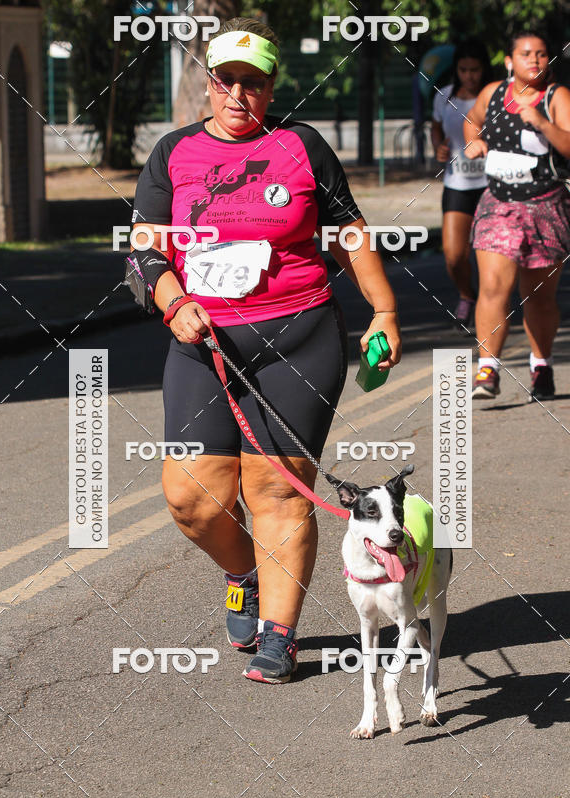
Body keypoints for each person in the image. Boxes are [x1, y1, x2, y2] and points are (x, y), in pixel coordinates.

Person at [130, 17, 402, 684]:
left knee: (277, 494)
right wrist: (172, 299)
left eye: (254, 82)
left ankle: (281, 636)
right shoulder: (173, 155)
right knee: (192, 497)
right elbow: (143, 251)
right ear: (209, 81)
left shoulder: (302, 147)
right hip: (204, 341)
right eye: (228, 80)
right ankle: (243, 572)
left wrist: (385, 311)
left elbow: (349, 232)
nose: (239, 94)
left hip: (298, 338)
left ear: (272, 85)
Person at [464, 32, 570, 400]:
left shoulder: (557, 97)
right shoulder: (493, 93)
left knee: (538, 296)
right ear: (510, 60)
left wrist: (541, 122)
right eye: (526, 54)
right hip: (499, 203)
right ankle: (487, 369)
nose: (535, 61)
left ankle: (541, 364)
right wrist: (474, 141)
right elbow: (472, 121)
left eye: (542, 54)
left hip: (545, 205)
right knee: (494, 286)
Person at [431, 40, 491, 328]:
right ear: (456, 69)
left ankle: (490, 307)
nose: (469, 75)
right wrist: (438, 148)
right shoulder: (444, 97)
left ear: (484, 69)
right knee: (454, 256)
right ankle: (468, 296)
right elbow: (436, 126)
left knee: (487, 255)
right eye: (463, 69)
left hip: (492, 185)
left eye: (475, 70)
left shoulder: (495, 97)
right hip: (457, 184)